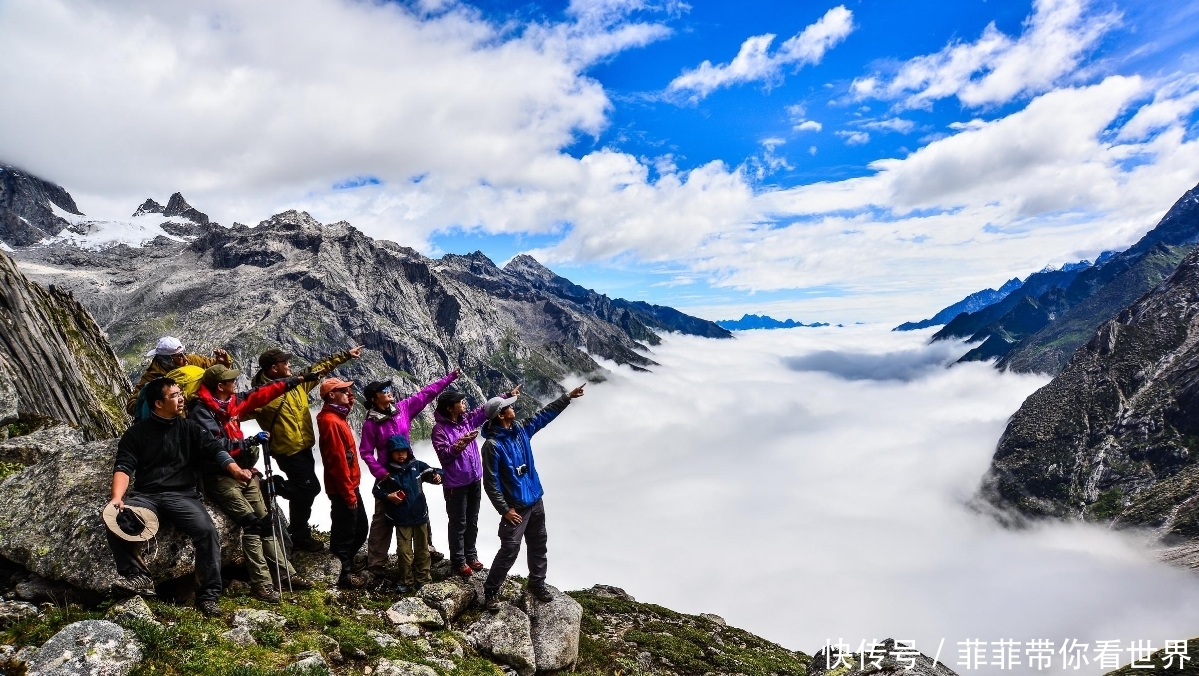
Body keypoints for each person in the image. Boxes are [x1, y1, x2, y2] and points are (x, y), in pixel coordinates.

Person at [106, 376, 254, 617]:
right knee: (117, 518)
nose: (181, 398)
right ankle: (138, 578)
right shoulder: (136, 434)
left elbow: (215, 449)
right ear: (158, 403)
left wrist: (234, 469)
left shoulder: (190, 429)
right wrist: (117, 498)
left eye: (180, 393)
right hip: (147, 496)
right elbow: (124, 466)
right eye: (174, 395)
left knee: (206, 531)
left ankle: (208, 596)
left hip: (183, 495)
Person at [188, 364, 316, 602]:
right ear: (220, 386)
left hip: (246, 471)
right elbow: (215, 446)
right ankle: (262, 584)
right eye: (231, 380)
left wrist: (295, 380)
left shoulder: (231, 403)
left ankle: (285, 575)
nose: (235, 383)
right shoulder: (201, 412)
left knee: (265, 522)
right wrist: (247, 443)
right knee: (252, 524)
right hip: (220, 476)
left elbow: (262, 392)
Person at [480, 384, 585, 610]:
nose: (513, 408)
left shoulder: (520, 431)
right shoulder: (492, 446)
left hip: (535, 500)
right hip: (516, 508)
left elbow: (543, 415)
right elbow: (490, 482)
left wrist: (567, 398)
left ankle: (537, 583)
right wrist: (505, 510)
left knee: (539, 544)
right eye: (508, 407)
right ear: (500, 415)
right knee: (509, 549)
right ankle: (490, 592)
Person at [251, 345, 362, 551]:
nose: (290, 365)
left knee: (303, 492)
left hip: (304, 447)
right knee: (310, 488)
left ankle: (299, 533)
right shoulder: (261, 395)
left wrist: (345, 355)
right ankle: (272, 487)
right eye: (285, 363)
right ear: (274, 368)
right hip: (287, 451)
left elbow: (319, 368)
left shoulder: (297, 383)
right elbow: (236, 411)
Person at [360, 372, 458, 582]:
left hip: (410, 467)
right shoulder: (371, 424)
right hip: (389, 475)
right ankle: (376, 562)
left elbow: (426, 394)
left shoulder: (403, 408)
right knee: (383, 517)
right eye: (383, 391)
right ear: (373, 399)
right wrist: (381, 473)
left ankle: (427, 548)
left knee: (418, 505)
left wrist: (449, 378)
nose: (388, 392)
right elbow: (366, 452)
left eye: (388, 390)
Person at [432, 384, 521, 578]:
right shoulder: (439, 430)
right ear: (449, 408)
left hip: (474, 479)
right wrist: (461, 444)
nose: (463, 403)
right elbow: (444, 456)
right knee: (458, 523)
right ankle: (458, 560)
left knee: (472, 520)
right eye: (459, 402)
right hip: (456, 484)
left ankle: (470, 555)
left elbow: (484, 409)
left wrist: (506, 396)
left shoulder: (466, 420)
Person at [371, 434, 444, 593]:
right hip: (401, 518)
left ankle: (423, 579)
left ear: (408, 451)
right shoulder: (387, 472)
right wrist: (388, 496)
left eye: (403, 451)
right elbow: (376, 490)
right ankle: (406, 580)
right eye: (397, 451)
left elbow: (435, 472)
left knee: (422, 550)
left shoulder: (417, 466)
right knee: (404, 552)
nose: (401, 454)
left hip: (419, 516)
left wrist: (438, 477)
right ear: (391, 452)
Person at [316, 377, 370, 588]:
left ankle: (343, 565)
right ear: (331, 395)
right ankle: (342, 574)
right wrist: (348, 494)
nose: (349, 394)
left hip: (349, 485)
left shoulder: (337, 416)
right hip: (343, 488)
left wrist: (348, 402)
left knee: (359, 528)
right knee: (346, 532)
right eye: (344, 391)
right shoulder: (330, 422)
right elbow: (337, 461)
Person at [126, 336, 230, 414]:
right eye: (179, 356)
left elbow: (215, 369)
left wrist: (223, 362)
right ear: (166, 360)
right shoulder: (152, 377)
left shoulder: (191, 360)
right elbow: (132, 406)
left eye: (184, 353)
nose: (185, 358)